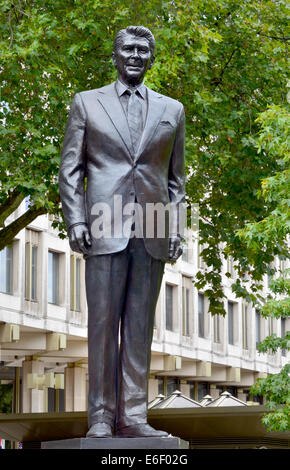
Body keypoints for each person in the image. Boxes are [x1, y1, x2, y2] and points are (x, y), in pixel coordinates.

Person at [59, 25, 185, 438]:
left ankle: (133, 416)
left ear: (151, 57)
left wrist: (176, 228)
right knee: (102, 326)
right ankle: (99, 416)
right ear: (115, 56)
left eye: (142, 50)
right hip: (101, 227)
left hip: (151, 231)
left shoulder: (172, 110)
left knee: (138, 329)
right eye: (127, 49)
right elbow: (71, 169)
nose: (135, 55)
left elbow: (175, 181)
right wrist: (75, 220)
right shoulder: (86, 104)